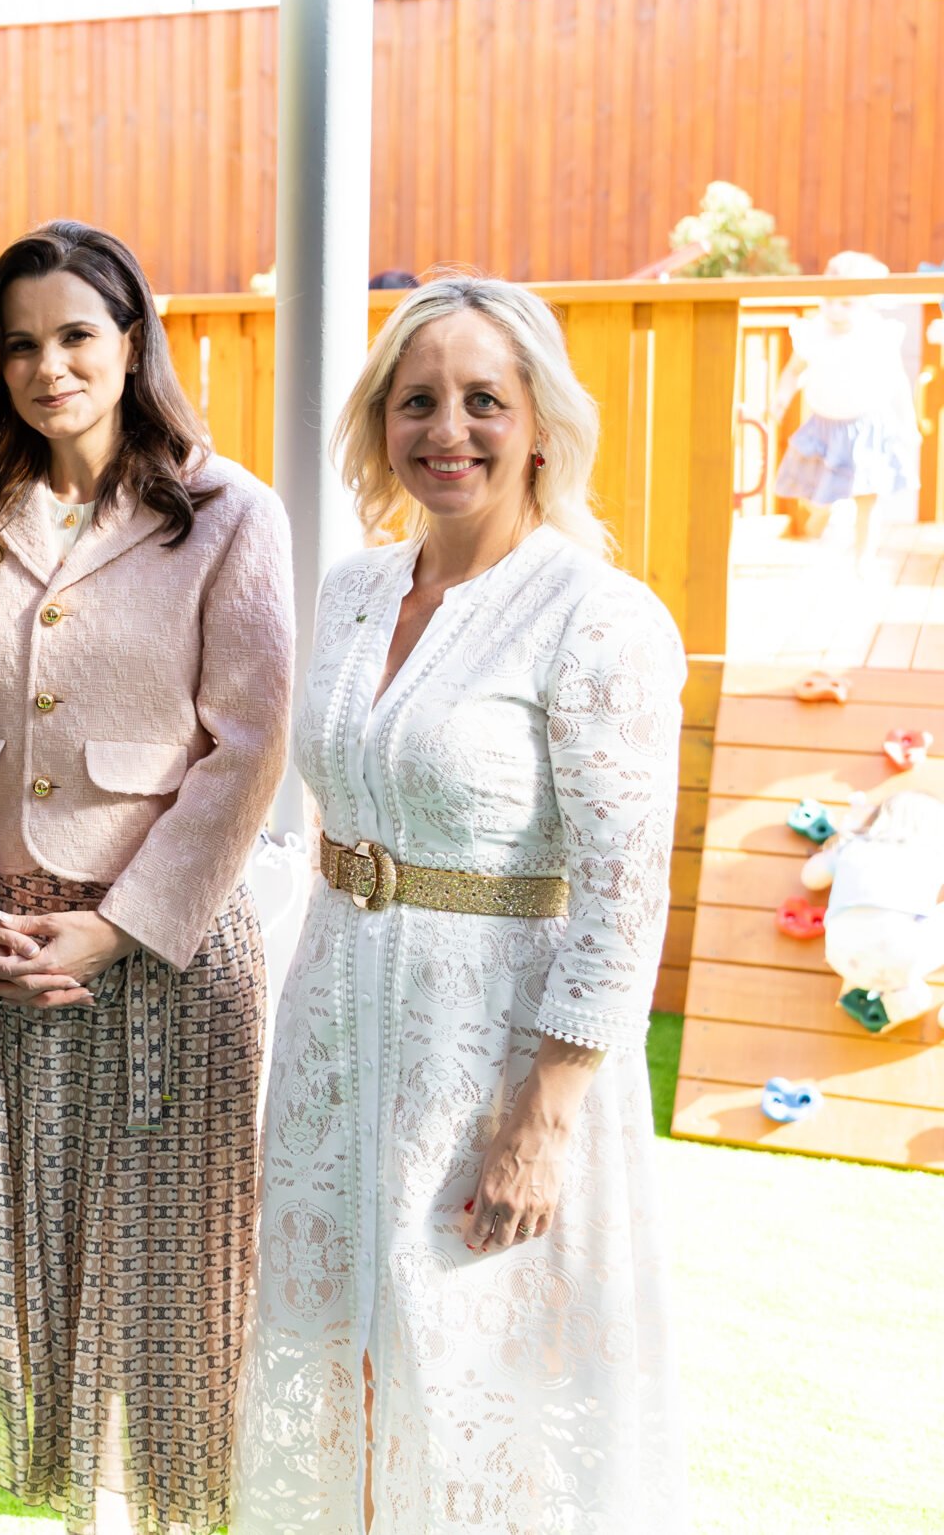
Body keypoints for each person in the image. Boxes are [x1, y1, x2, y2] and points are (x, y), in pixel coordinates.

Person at [0, 221, 292, 1535]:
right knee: (26, 1254)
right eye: (20, 344)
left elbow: (250, 744)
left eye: (76, 334)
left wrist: (118, 926)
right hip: (0, 943)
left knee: (167, 1269)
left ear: (132, 340)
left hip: (166, 945)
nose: (48, 366)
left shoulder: (226, 511)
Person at [232, 276, 685, 1532]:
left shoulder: (598, 618)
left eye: (483, 399)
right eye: (416, 400)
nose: (448, 429)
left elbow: (620, 892)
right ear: (380, 422)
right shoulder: (353, 594)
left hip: (492, 1066)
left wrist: (543, 1119)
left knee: (479, 1373)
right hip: (335, 1044)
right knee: (341, 1356)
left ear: (540, 421)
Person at [771, 251, 920, 572]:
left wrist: (908, 424)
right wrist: (782, 397)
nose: (835, 310)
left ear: (867, 303)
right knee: (817, 495)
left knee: (868, 497)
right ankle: (820, 515)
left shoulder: (876, 335)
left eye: (847, 303)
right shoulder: (814, 333)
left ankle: (862, 559)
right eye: (829, 301)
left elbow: (897, 383)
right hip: (825, 428)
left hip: (867, 426)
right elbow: (793, 370)